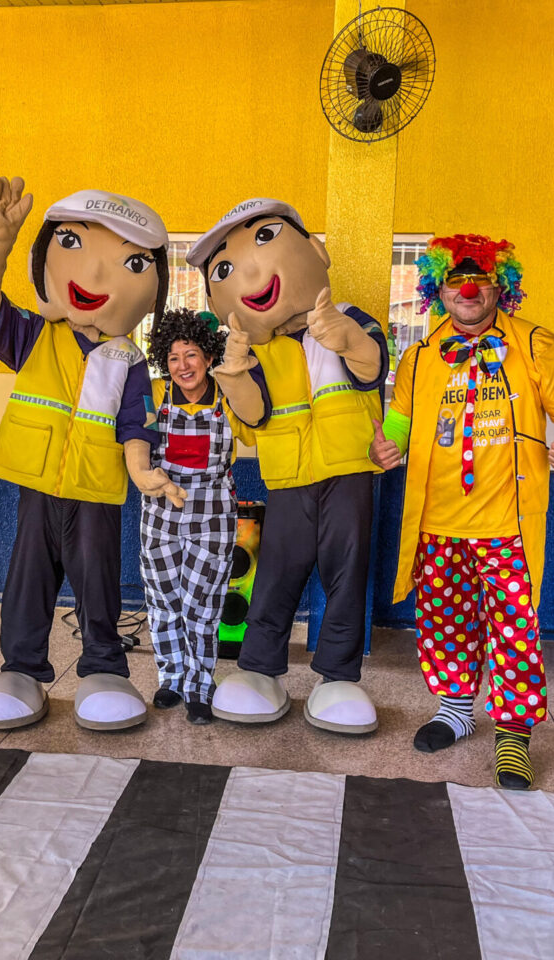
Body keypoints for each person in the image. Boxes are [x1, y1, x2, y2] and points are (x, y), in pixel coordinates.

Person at [369, 234, 554, 788]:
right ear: (437, 288)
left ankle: (514, 735)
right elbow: (400, 419)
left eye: (479, 281)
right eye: (454, 282)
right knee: (443, 624)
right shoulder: (421, 356)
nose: (467, 291)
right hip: (437, 522)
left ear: (501, 286)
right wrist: (386, 446)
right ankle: (454, 712)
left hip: (506, 525)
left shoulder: (535, 344)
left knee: (514, 631)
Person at [0, 177, 183, 732]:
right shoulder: (36, 335)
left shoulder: (127, 358)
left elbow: (137, 422)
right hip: (37, 483)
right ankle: (20, 668)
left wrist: (141, 469)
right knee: (28, 574)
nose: (96, 276)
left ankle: (104, 667)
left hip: (96, 487)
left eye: (132, 265)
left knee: (98, 578)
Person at [185, 198, 388, 735]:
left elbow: (373, 366)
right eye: (223, 271)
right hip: (288, 479)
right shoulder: (257, 350)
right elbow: (252, 423)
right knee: (276, 575)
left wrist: (344, 336)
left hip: (349, 472)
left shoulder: (347, 317)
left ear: (314, 251)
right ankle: (258, 670)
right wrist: (232, 377)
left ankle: (338, 677)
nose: (248, 274)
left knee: (347, 575)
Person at [140, 308, 242, 725]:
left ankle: (200, 685)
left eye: (192, 355)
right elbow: (132, 443)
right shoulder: (153, 395)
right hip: (160, 514)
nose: (183, 366)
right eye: (175, 358)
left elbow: (257, 426)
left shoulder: (228, 398)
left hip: (213, 515)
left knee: (202, 605)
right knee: (163, 602)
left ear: (208, 356)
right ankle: (171, 678)